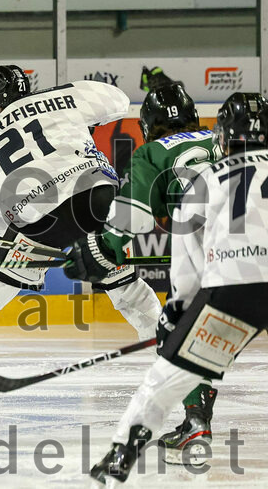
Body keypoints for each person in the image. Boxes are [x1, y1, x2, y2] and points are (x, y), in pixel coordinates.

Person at [0, 65, 163, 384]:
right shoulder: (62, 97)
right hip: (100, 202)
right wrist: (68, 101)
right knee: (127, 288)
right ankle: (172, 350)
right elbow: (119, 100)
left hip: (41, 222)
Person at [88, 92, 268, 486]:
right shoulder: (215, 156)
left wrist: (100, 251)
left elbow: (179, 264)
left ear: (223, 136)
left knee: (178, 358)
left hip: (235, 282)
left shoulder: (188, 171)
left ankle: (128, 451)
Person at [64, 83, 222, 465]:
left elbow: (126, 224)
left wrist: (93, 254)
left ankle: (196, 420)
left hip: (217, 258)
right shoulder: (225, 138)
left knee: (177, 330)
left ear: (148, 126)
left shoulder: (152, 152)